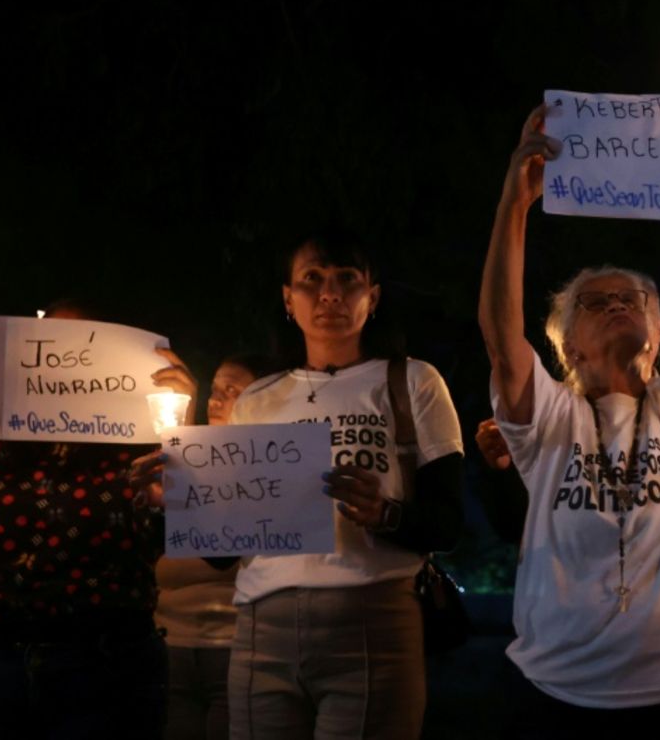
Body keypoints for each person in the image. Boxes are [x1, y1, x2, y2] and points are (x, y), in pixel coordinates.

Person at [479, 103, 660, 737]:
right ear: (568, 347)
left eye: (631, 300)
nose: (616, 306)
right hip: (557, 693)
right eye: (594, 303)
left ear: (658, 336)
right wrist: (515, 206)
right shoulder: (548, 414)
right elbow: (500, 335)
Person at [133, 231, 464, 740]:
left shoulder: (413, 382)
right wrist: (172, 504)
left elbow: (448, 521)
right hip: (261, 630)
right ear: (288, 298)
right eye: (312, 279)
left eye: (347, 279)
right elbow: (225, 550)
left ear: (371, 297)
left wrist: (385, 514)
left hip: (371, 620)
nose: (329, 294)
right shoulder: (258, 399)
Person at [0, 300, 194, 740]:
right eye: (47, 347)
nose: (62, 364)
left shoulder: (143, 442)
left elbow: (194, 534)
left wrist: (184, 436)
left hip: (105, 665)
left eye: (85, 348)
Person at [154, 353, 275, 740]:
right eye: (215, 389)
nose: (216, 399)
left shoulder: (270, 473)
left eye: (232, 390)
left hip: (236, 647)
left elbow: (220, 556)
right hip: (172, 643)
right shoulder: (177, 463)